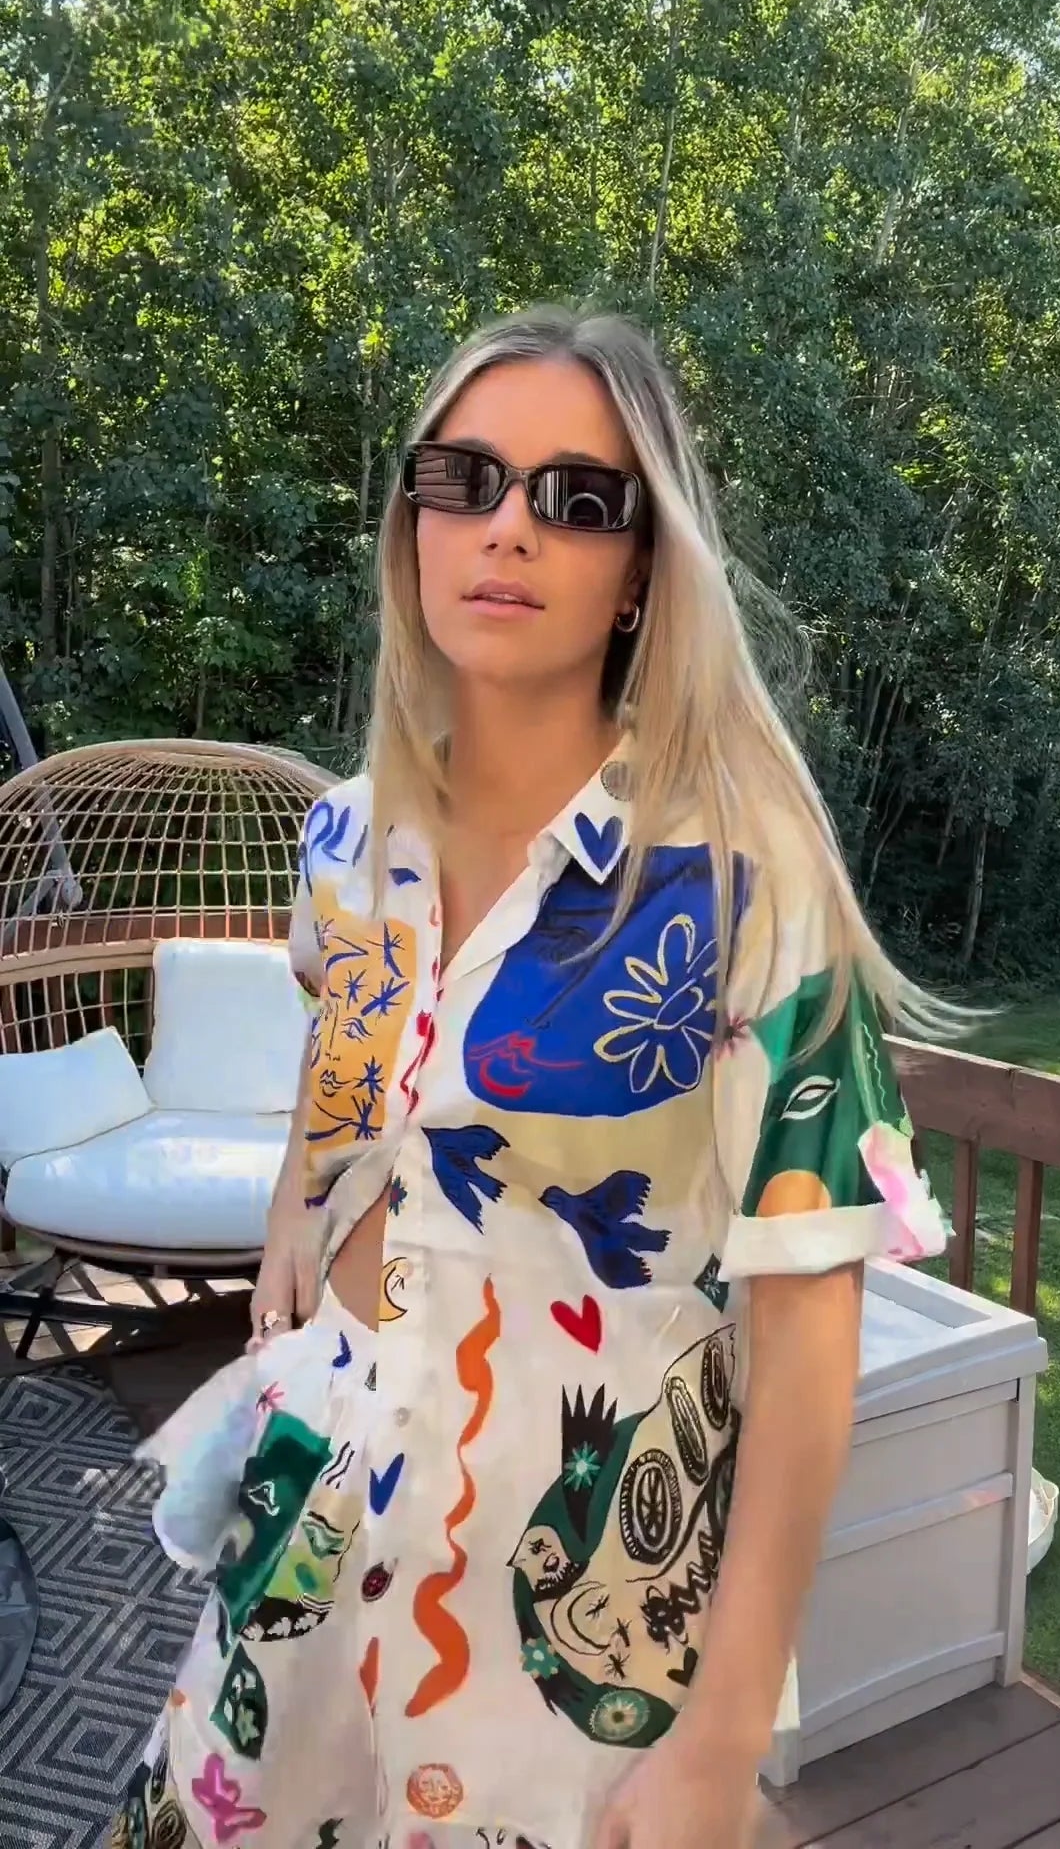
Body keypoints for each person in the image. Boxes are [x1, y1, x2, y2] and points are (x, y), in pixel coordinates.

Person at [112, 305, 948, 1849]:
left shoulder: (743, 869)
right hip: (322, 1489)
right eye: (466, 478)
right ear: (412, 523)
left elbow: (809, 1312)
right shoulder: (347, 834)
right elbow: (346, 1029)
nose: (509, 526)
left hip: (567, 1592)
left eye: (578, 497)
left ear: (642, 569)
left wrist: (720, 1736)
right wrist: (298, 1213)